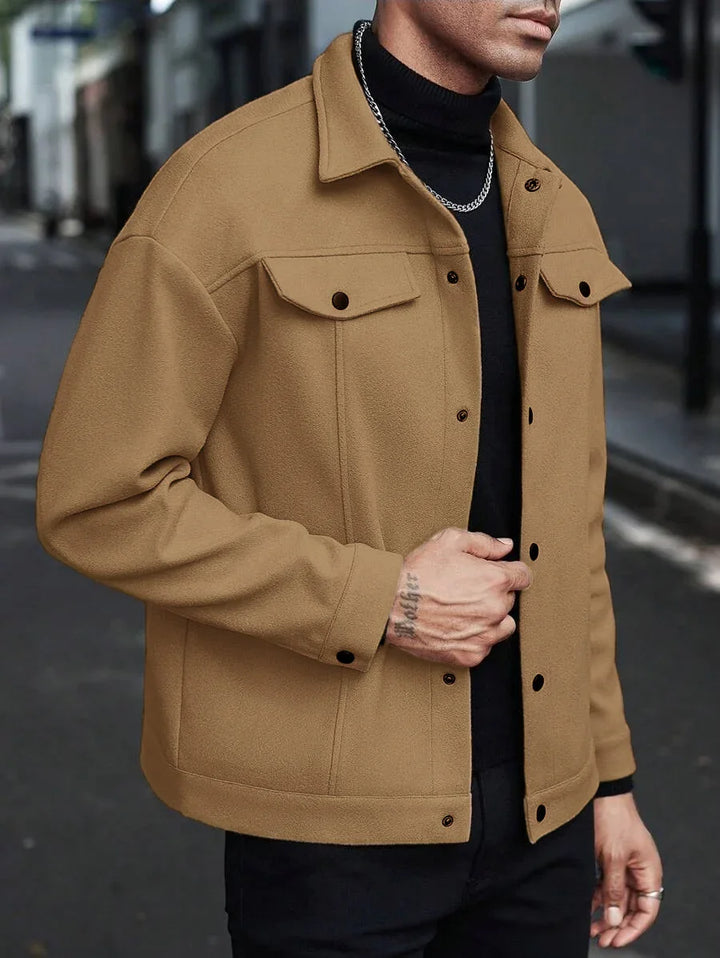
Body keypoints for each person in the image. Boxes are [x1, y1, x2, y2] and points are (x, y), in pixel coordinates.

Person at [35, 1, 664, 955]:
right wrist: (382, 598)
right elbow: (100, 498)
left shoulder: (555, 203)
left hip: (547, 824)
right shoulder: (226, 187)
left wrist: (607, 780)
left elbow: (569, 535)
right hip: (331, 837)